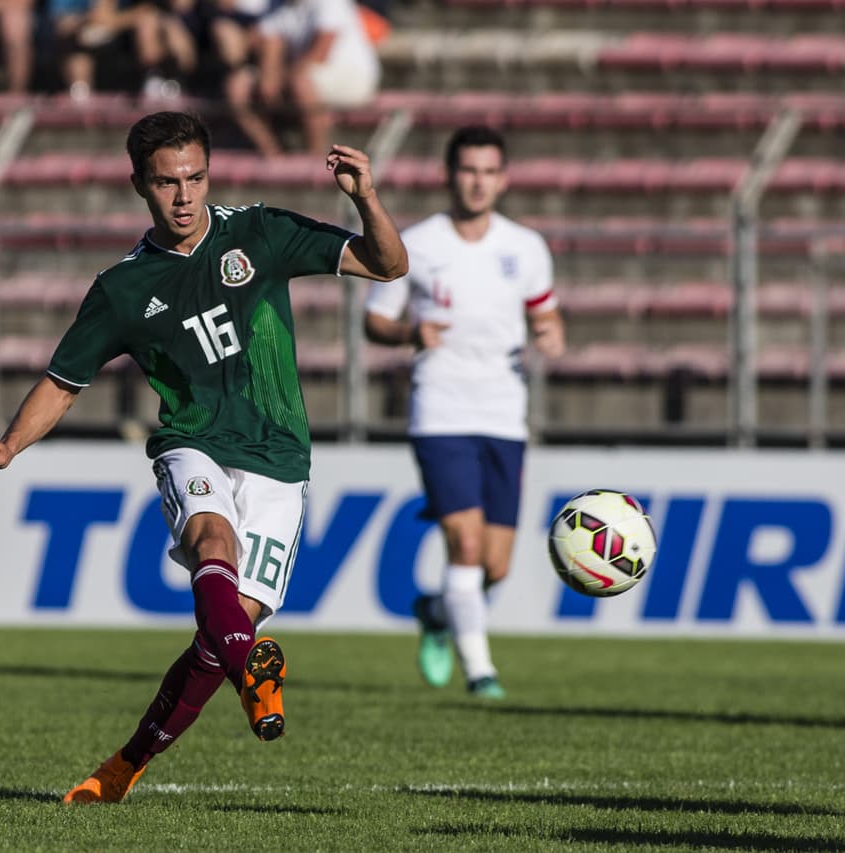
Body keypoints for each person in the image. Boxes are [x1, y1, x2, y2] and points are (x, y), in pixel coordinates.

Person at [0, 110, 406, 802]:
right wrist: (10, 444)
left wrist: (365, 198)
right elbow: (62, 382)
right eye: (167, 182)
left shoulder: (257, 232)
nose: (184, 195)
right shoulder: (123, 289)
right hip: (191, 441)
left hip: (281, 456)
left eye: (195, 177)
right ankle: (253, 678)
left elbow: (387, 264)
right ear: (140, 184)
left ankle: (128, 760)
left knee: (223, 629)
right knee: (210, 540)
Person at [363, 125, 565, 700]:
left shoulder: (525, 247)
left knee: (493, 567)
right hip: (441, 406)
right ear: (449, 176)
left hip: (504, 411)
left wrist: (551, 335)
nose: (477, 182)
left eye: (488, 171)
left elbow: (545, 314)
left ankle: (434, 610)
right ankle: (481, 672)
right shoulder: (418, 243)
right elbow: (374, 320)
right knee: (466, 546)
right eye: (467, 170)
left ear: (503, 179)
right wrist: (410, 332)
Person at [229, 0, 379, 156]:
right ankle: (273, 156)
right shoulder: (275, 6)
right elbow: (271, 49)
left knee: (299, 82)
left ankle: (317, 157)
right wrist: (269, 77)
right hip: (307, 78)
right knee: (238, 85)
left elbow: (321, 52)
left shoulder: (332, 3)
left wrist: (277, 77)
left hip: (351, 79)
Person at [53, 0, 197, 102]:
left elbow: (174, 7)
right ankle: (81, 98)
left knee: (151, 24)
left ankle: (158, 81)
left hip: (126, 35)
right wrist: (128, 17)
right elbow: (99, 18)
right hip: (87, 37)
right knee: (79, 47)